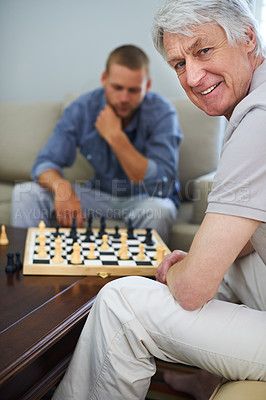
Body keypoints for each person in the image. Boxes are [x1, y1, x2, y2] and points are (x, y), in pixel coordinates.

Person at [52, 1, 266, 400]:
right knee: (235, 263)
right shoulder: (254, 105)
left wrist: (184, 273)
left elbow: (189, 289)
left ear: (248, 37)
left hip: (142, 202)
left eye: (203, 50)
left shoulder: (257, 118)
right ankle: (207, 380)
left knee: (120, 301)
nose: (193, 75)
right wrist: (200, 260)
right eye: (179, 63)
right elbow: (48, 162)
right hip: (104, 200)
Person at [11, 44, 182, 243]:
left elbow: (162, 183)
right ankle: (27, 269)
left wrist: (115, 137)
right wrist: (62, 188)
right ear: (104, 79)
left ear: (148, 86)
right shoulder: (83, 109)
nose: (124, 98)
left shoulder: (163, 113)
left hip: (146, 199)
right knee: (25, 194)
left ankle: (142, 275)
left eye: (134, 90)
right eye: (117, 88)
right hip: (99, 195)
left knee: (159, 211)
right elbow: (45, 163)